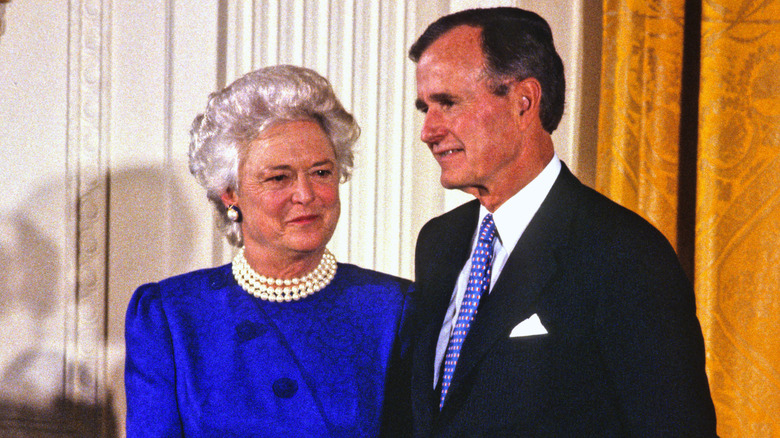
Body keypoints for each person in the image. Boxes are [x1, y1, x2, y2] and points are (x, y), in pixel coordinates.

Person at [408, 7, 717, 437]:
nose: (428, 130)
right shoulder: (439, 242)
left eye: (448, 103)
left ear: (524, 102)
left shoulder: (626, 255)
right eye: (425, 107)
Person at [124, 65, 413, 437]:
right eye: (279, 177)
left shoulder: (394, 309)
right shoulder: (170, 315)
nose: (306, 195)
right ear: (230, 192)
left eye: (321, 172)